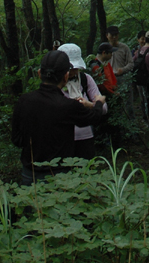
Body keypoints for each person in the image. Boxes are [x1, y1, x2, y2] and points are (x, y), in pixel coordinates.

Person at [12, 49, 106, 184]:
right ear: (66, 77)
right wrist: (98, 103)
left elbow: (17, 139)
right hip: (60, 175)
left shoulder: (24, 101)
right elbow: (94, 118)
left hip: (30, 174)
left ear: (39, 74)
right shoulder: (68, 106)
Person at [59, 42, 108, 160]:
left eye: (76, 68)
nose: (73, 72)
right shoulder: (55, 83)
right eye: (70, 68)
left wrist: (90, 105)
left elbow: (104, 107)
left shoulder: (86, 79)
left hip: (85, 137)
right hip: (62, 139)